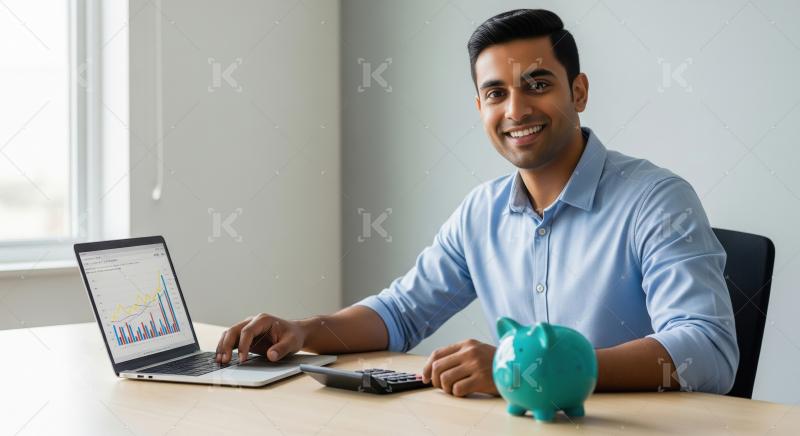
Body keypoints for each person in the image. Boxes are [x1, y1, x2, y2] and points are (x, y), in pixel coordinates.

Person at [216, 8, 738, 397]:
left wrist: (526, 368)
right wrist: (306, 330)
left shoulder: (658, 200)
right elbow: (400, 313)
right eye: (496, 93)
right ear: (480, 106)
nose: (516, 109)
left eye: (537, 84)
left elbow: (706, 351)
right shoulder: (481, 213)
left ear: (577, 92)